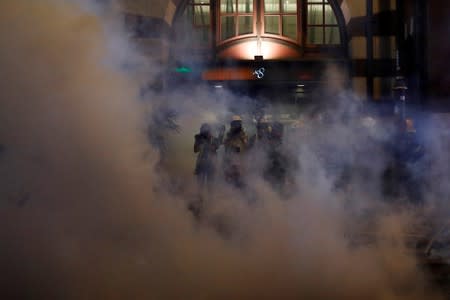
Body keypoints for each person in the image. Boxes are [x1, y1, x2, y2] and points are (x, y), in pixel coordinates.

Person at [194, 123, 224, 187]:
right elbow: (195, 150)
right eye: (204, 130)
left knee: (210, 183)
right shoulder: (199, 139)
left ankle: (209, 196)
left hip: (211, 164)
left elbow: (219, 143)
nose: (206, 132)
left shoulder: (212, 139)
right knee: (200, 183)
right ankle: (200, 195)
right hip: (202, 163)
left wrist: (221, 133)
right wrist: (200, 143)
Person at [223, 115, 248, 188]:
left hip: (240, 158)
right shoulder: (229, 134)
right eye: (235, 123)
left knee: (239, 175)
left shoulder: (242, 133)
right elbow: (225, 144)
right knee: (230, 174)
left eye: (238, 123)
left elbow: (246, 144)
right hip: (231, 158)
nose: (236, 125)